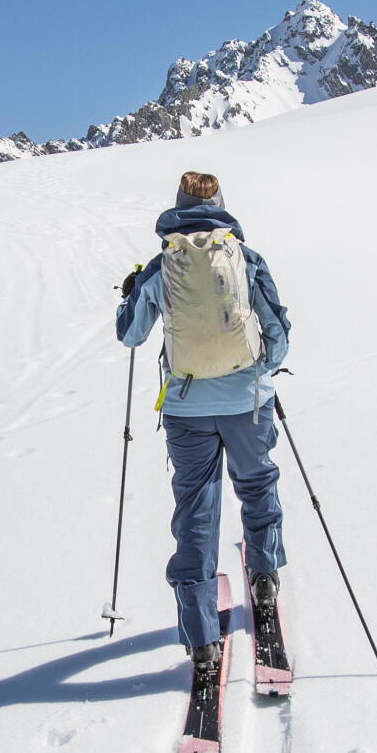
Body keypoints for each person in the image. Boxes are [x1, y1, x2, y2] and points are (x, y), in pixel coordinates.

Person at [116, 171, 290, 703]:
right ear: (221, 205)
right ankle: (263, 576)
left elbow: (130, 334)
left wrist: (131, 296)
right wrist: (263, 374)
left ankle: (201, 638)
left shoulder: (161, 264)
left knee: (195, 511)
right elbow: (278, 331)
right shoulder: (245, 256)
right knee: (256, 486)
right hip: (247, 401)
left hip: (188, 409)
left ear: (178, 207)